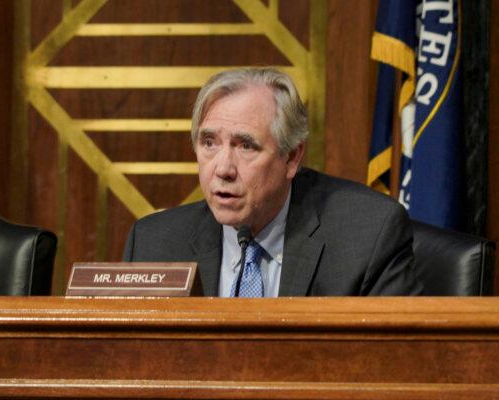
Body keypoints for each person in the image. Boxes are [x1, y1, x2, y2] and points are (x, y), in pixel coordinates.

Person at [123, 67, 423, 297]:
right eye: (209, 143)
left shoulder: (367, 236)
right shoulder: (154, 246)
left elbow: (394, 366)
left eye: (246, 146)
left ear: (291, 158)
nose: (223, 169)